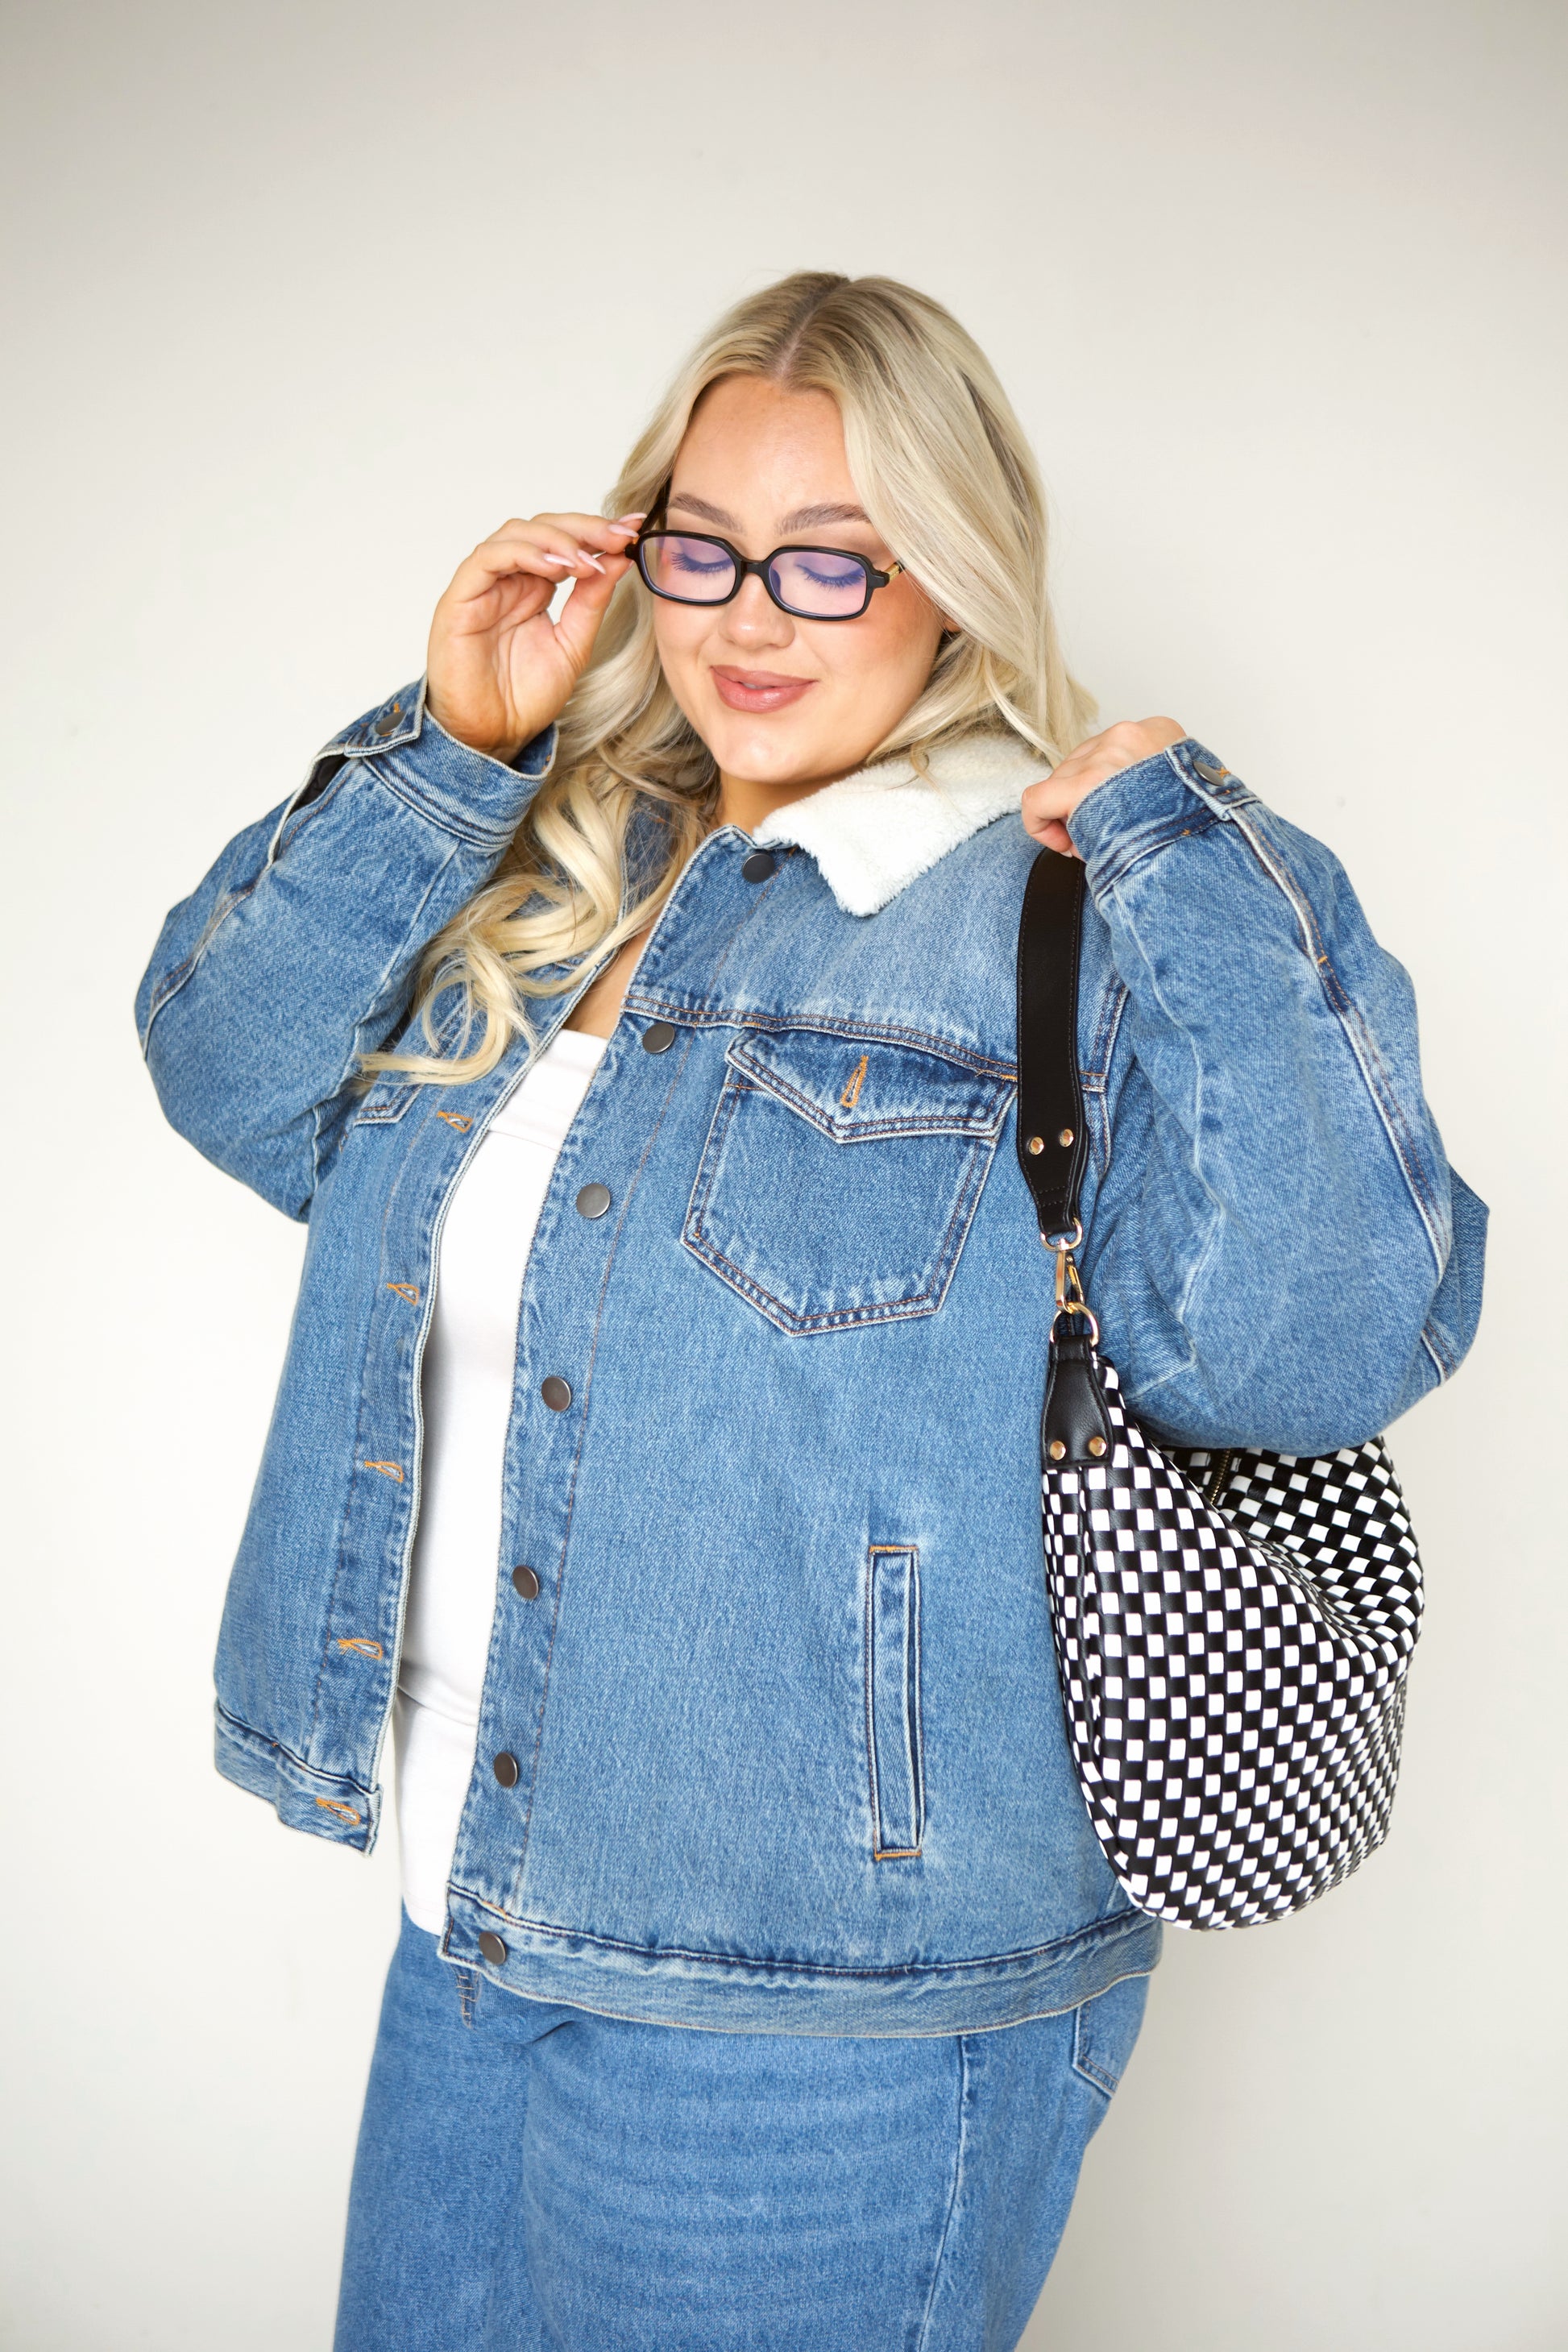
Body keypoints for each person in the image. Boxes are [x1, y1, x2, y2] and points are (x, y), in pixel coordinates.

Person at [135, 271, 1485, 2351]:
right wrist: (454, 750)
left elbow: (1309, 1344)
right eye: (704, 546)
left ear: (950, 577)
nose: (748, 617)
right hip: (468, 1934)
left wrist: (1189, 851)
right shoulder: (566, 876)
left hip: (828, 2016)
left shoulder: (1054, 914)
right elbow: (234, 1075)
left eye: (833, 564)